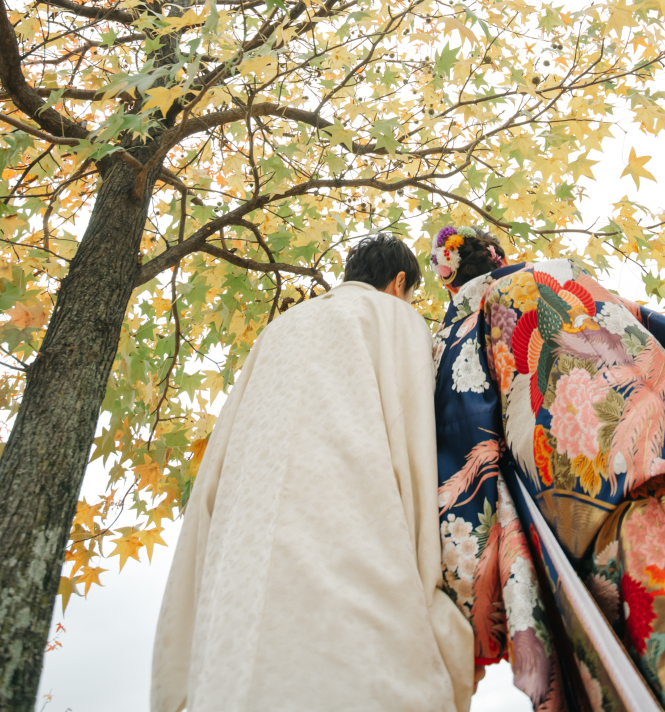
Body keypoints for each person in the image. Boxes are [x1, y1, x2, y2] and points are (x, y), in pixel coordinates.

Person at [431, 225, 665, 712]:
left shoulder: (464, 329)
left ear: (451, 277)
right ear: (495, 254)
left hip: (593, 514)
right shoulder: (568, 274)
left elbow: (465, 425)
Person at [151, 232, 473, 712]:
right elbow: (416, 441)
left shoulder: (280, 329)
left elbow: (218, 459)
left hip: (242, 561)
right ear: (399, 282)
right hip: (355, 534)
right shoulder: (394, 317)